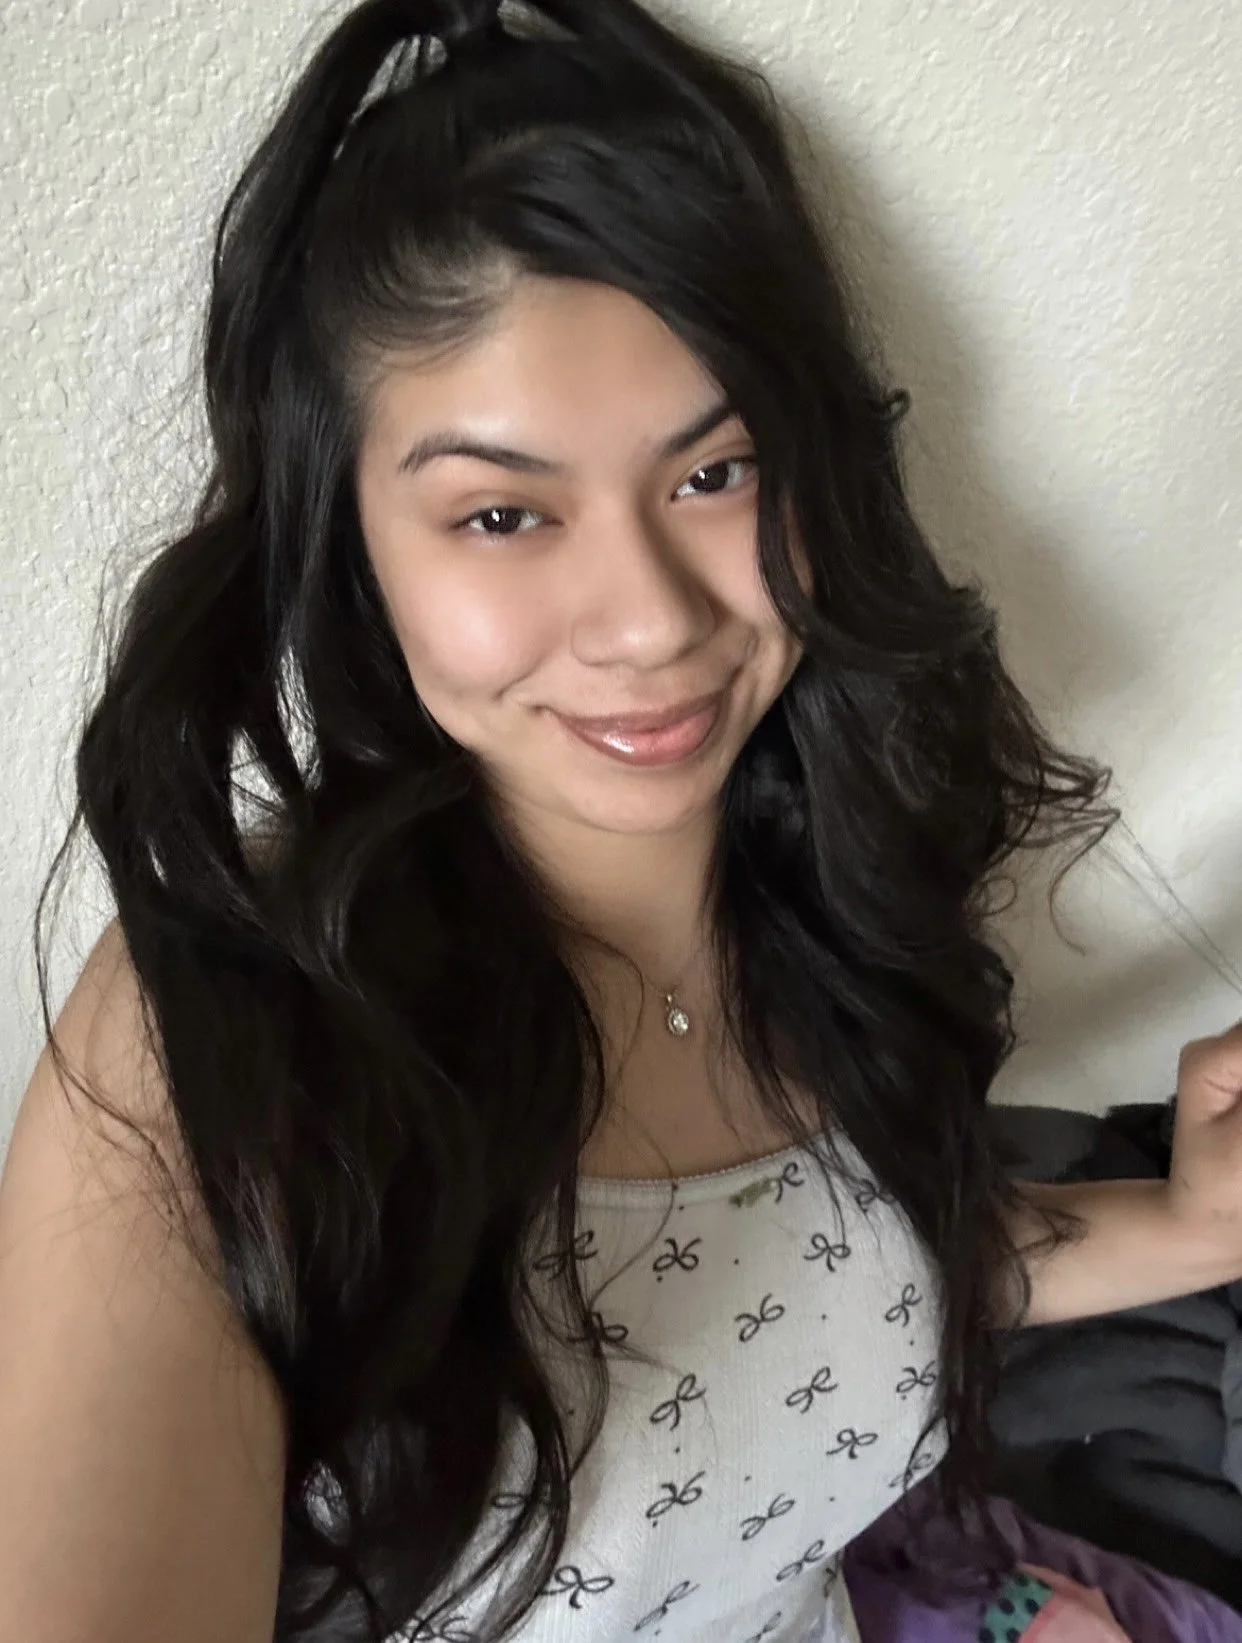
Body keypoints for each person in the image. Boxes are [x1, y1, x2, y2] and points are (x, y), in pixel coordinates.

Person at [1, 0, 1240, 1639]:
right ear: (350, 545)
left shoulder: (828, 878)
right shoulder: (226, 1037)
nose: (650, 619)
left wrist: (1193, 1222)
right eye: (501, 513)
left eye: (713, 475)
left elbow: (868, 1257)